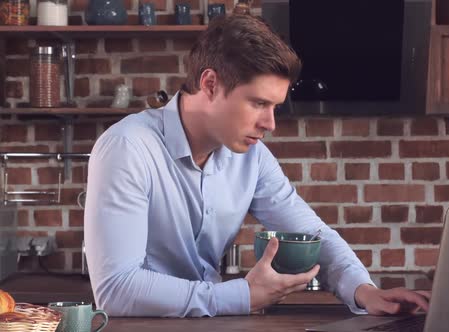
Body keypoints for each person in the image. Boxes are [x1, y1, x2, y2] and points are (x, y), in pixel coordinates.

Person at [84, 14, 430, 317]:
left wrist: (364, 292)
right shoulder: (128, 147)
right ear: (210, 84)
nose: (270, 123)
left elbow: (313, 234)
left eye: (275, 106)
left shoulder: (252, 157)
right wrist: (240, 296)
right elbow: (117, 290)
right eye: (259, 103)